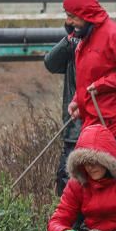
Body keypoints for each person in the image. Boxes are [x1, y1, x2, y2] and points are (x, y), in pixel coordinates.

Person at [63, 0, 116, 161]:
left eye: (72, 16)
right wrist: (78, 101)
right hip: (94, 121)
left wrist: (101, 85)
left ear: (86, 15)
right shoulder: (85, 37)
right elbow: (89, 77)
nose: (69, 22)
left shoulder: (114, 35)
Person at [44, 29, 81, 194]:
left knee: (74, 181)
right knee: (65, 181)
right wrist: (68, 39)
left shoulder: (99, 46)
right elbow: (50, 63)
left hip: (83, 128)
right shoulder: (71, 44)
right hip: (71, 128)